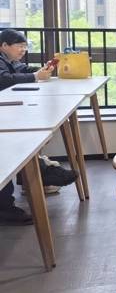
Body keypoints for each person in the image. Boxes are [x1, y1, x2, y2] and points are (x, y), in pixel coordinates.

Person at [0, 30, 77, 225]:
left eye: (25, 47)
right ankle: (38, 175)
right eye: (19, 46)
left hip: (7, 111)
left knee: (25, 139)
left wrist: (41, 71)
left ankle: (37, 173)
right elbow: (5, 80)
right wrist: (35, 76)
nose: (23, 50)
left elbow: (23, 69)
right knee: (12, 148)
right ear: (4, 45)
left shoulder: (9, 60)